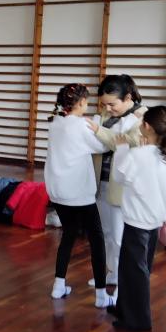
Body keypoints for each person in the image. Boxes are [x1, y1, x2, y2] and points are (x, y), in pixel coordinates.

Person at [110, 107, 166, 332]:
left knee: (134, 272)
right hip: (154, 220)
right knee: (138, 269)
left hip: (137, 221)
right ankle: (125, 309)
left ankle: (138, 319)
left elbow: (119, 176)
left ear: (147, 127)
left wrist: (122, 148)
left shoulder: (138, 155)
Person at [44, 84, 113, 307]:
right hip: (79, 194)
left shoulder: (55, 122)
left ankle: (58, 285)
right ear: (82, 102)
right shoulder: (81, 125)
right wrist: (98, 126)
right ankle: (101, 295)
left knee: (69, 234)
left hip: (57, 191)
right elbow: (102, 147)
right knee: (97, 240)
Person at [88, 75, 146, 285]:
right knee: (104, 233)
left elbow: (128, 143)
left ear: (128, 97)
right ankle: (111, 273)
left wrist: (98, 131)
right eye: (104, 104)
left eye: (112, 104)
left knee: (120, 237)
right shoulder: (106, 114)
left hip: (123, 187)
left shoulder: (142, 117)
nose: (107, 108)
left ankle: (124, 278)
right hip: (101, 182)